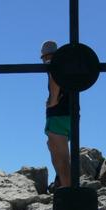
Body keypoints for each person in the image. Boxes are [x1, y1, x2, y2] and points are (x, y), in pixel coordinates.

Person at [41, 40, 71, 192]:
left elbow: (54, 76)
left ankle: (66, 189)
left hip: (58, 114)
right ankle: (62, 182)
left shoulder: (54, 63)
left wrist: (53, 100)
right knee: (54, 147)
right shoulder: (69, 65)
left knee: (61, 155)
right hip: (69, 114)